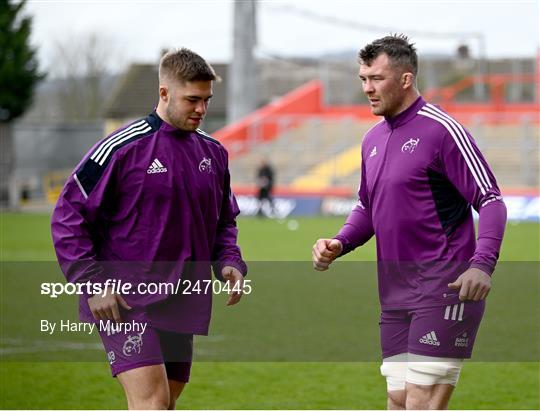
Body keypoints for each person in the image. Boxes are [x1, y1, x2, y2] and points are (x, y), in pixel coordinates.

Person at [312, 35, 506, 410]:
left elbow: (491, 200)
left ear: (405, 78)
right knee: (398, 401)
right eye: (363, 78)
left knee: (420, 402)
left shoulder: (441, 130)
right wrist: (340, 242)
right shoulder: (372, 139)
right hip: (394, 294)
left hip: (445, 287)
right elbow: (368, 207)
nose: (368, 88)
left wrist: (482, 266)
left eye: (377, 78)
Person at [51, 48, 247, 410]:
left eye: (206, 100)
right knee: (152, 403)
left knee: (165, 403)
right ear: (164, 93)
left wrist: (229, 261)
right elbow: (67, 216)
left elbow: (223, 221)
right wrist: (94, 284)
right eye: (192, 100)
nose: (202, 110)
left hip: (184, 297)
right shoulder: (121, 147)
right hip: (124, 299)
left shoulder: (214, 154)